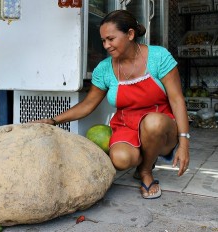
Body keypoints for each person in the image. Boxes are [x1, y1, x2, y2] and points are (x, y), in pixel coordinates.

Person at [33, 10, 190, 199]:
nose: (106, 45)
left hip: (161, 124)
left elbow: (177, 99)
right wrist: (53, 120)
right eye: (103, 41)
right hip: (127, 125)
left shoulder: (158, 57)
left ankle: (146, 171)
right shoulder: (105, 69)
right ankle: (144, 158)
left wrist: (184, 143)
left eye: (111, 39)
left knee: (153, 123)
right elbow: (88, 104)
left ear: (130, 34)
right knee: (121, 160)